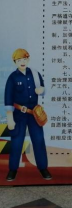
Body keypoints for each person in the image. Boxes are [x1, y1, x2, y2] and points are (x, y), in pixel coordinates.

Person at [4, 49, 51, 181]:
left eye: (24, 59)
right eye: (19, 60)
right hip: (19, 114)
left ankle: (43, 168)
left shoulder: (35, 74)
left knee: (39, 140)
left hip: (34, 114)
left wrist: (42, 90)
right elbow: (8, 98)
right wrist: (10, 118)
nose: (22, 62)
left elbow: (42, 89)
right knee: (17, 142)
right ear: (15, 62)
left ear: (28, 59)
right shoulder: (12, 78)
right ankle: (13, 169)